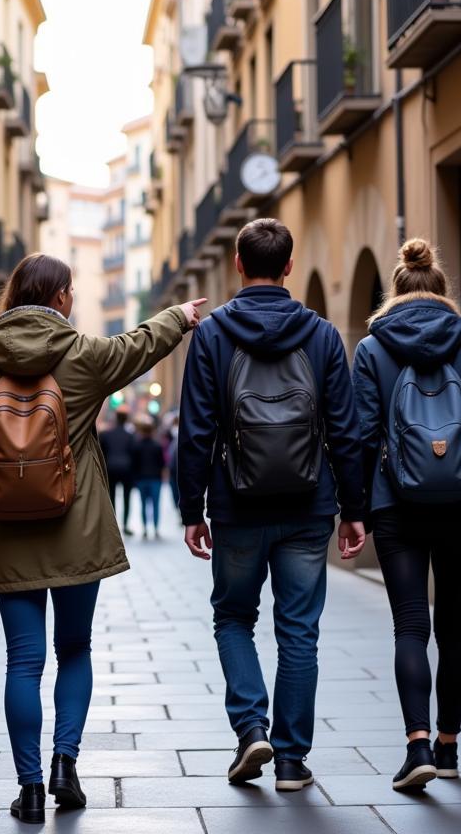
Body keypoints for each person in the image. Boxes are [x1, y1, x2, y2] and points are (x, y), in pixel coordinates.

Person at [0, 253, 204, 825]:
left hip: (9, 531)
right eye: (72, 292)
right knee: (74, 650)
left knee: (23, 661)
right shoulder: (82, 356)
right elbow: (138, 345)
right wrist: (178, 315)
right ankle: (65, 763)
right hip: (77, 529)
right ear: (58, 298)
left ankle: (29, 789)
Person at [178, 218, 366, 793]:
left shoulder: (212, 335)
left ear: (237, 263)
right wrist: (354, 507)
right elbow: (346, 430)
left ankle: (251, 726)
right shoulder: (323, 336)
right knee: (298, 631)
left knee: (234, 617)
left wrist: (192, 508)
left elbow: (196, 429)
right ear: (289, 266)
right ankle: (290, 761)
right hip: (309, 508)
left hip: (236, 507)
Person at [352, 238, 461, 791]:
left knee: (409, 624)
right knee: (454, 627)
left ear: (396, 289)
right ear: (442, 291)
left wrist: (358, 506)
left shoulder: (373, 351)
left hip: (396, 504)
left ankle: (416, 744)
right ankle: (448, 749)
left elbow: (359, 434)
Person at [99, 407, 137, 534]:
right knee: (127, 498)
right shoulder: (130, 436)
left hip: (111, 468)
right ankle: (125, 525)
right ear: (126, 419)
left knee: (111, 498)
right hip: (127, 469)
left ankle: (113, 525)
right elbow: (134, 453)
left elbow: (102, 452)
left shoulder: (106, 434)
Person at [132, 417, 165, 539]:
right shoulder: (157, 445)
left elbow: (134, 464)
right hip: (155, 479)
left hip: (141, 479)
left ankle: (145, 528)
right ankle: (156, 528)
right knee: (155, 504)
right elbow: (162, 463)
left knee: (143, 504)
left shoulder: (137, 446)